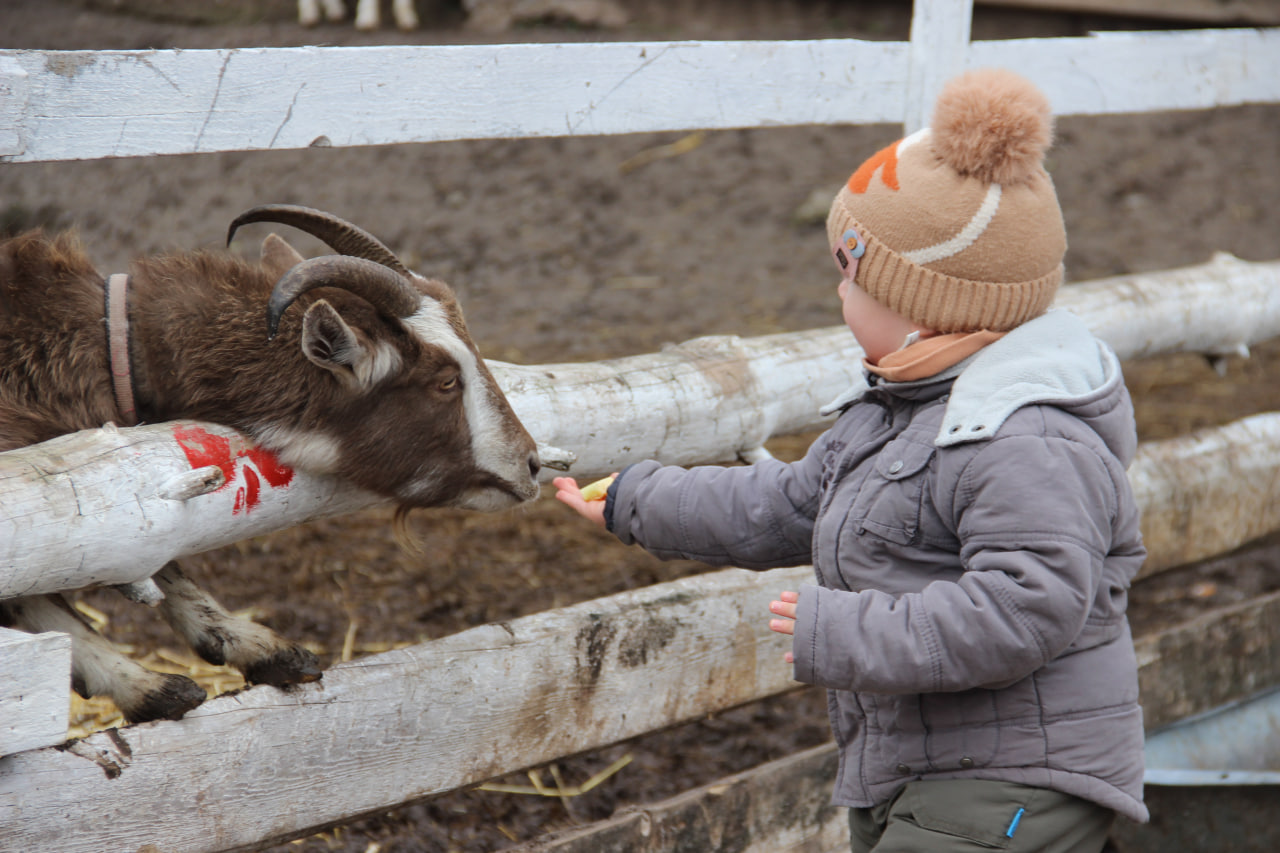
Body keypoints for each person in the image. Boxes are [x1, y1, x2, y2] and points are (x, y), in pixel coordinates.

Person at [554, 68, 1147, 852]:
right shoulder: (896, 407)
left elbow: (1024, 608)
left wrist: (847, 627)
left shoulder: (1025, 440)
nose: (840, 293)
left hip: (1017, 778)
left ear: (932, 312)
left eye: (856, 278)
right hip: (924, 762)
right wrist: (639, 498)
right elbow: (790, 504)